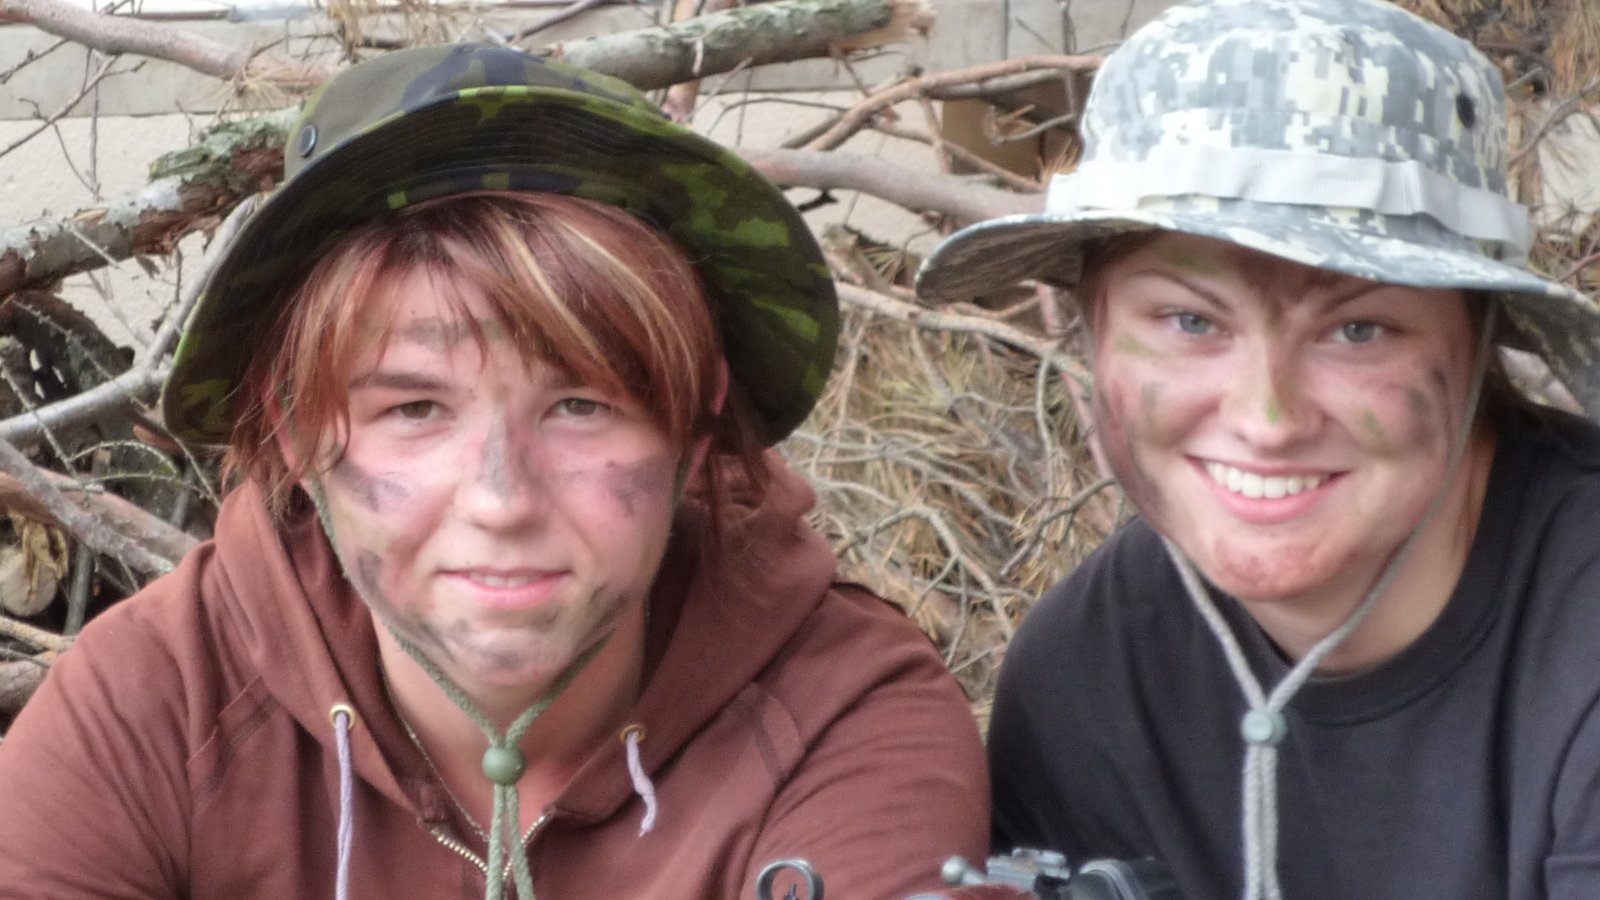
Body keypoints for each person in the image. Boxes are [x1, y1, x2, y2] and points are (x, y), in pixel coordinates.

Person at [0, 44, 988, 899]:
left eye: (581, 405)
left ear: (694, 423)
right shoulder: (154, 705)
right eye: (414, 410)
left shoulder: (843, 714)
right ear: (292, 432)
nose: (502, 500)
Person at [916, 0, 1600, 898]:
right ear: (1093, 334)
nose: (1267, 418)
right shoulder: (1090, 673)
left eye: (1357, 330)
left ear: (1478, 346)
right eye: (1191, 321)